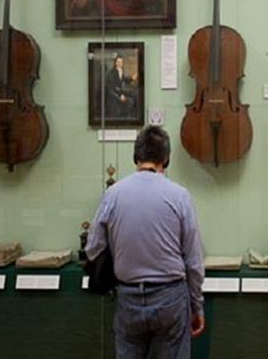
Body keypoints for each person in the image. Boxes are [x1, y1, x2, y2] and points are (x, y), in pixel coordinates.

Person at [85, 126, 205, 358]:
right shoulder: (179, 196)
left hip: (128, 296)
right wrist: (197, 305)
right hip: (170, 297)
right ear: (166, 159)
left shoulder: (113, 194)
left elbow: (93, 248)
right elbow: (193, 260)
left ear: (136, 157)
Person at [105, 55, 138, 119]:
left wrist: (132, 78)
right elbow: (113, 87)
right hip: (113, 94)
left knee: (134, 94)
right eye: (118, 62)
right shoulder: (111, 73)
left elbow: (124, 79)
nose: (120, 64)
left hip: (119, 91)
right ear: (115, 63)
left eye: (121, 62)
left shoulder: (121, 70)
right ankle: (127, 116)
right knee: (130, 101)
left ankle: (134, 116)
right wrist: (120, 95)